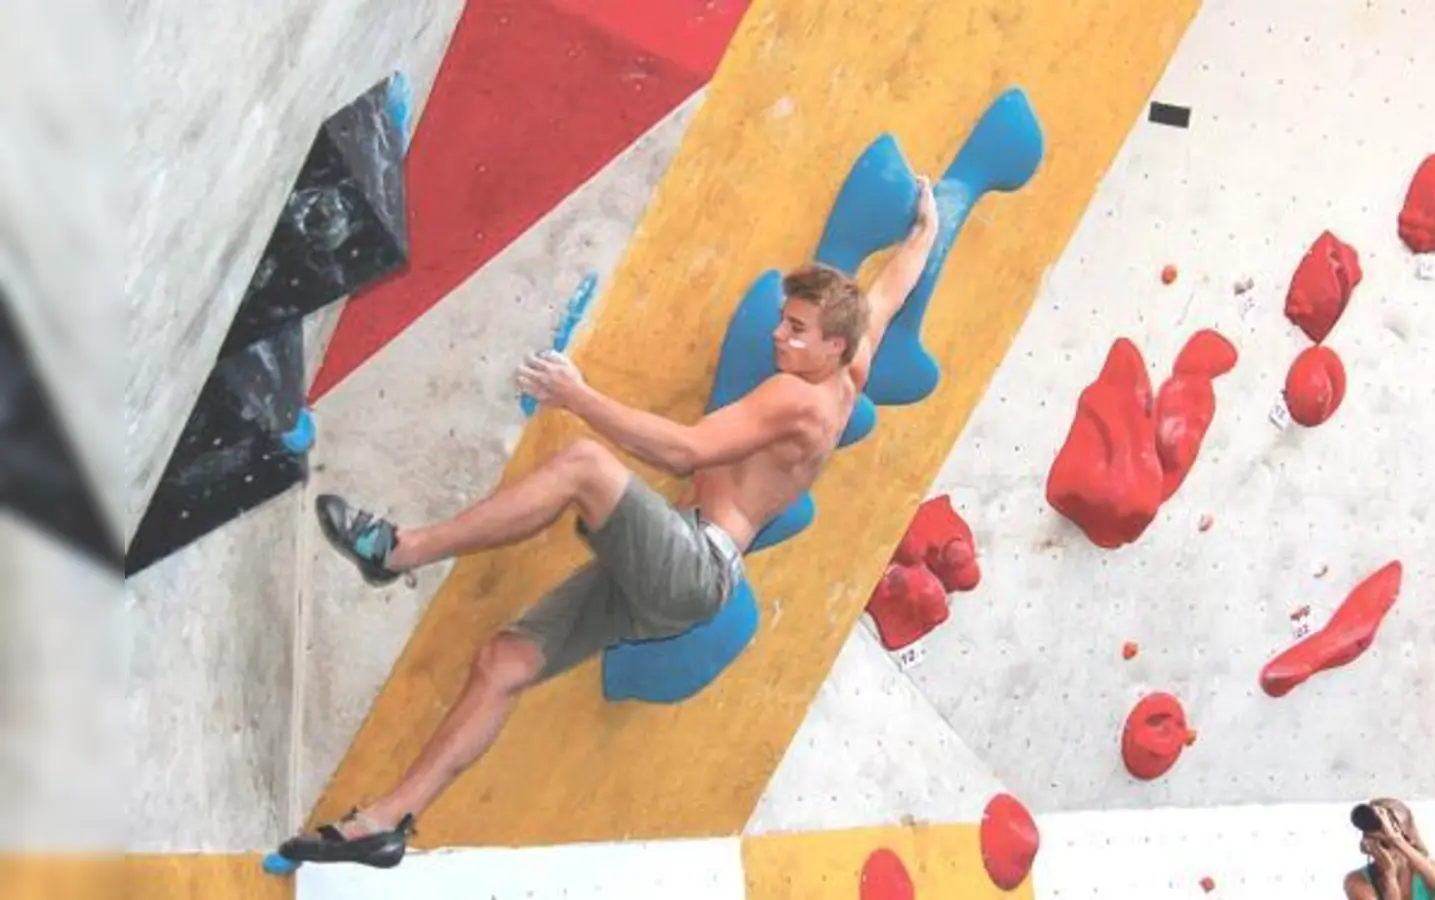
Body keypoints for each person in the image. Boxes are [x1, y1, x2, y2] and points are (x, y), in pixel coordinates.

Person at [278, 177, 941, 868]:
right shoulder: (846, 375)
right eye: (782, 319)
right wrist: (923, 229)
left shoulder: (794, 399)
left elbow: (684, 449)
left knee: (584, 467)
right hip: (677, 583)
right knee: (504, 662)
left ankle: (400, 552)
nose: (779, 334)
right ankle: (385, 823)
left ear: (833, 345)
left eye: (796, 330)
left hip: (694, 563)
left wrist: (577, 395)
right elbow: (887, 295)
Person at [1342, 798, 1435, 899]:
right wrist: (1389, 877)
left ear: (1409, 835)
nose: (1384, 841)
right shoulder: (1356, 881)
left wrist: (1396, 840)